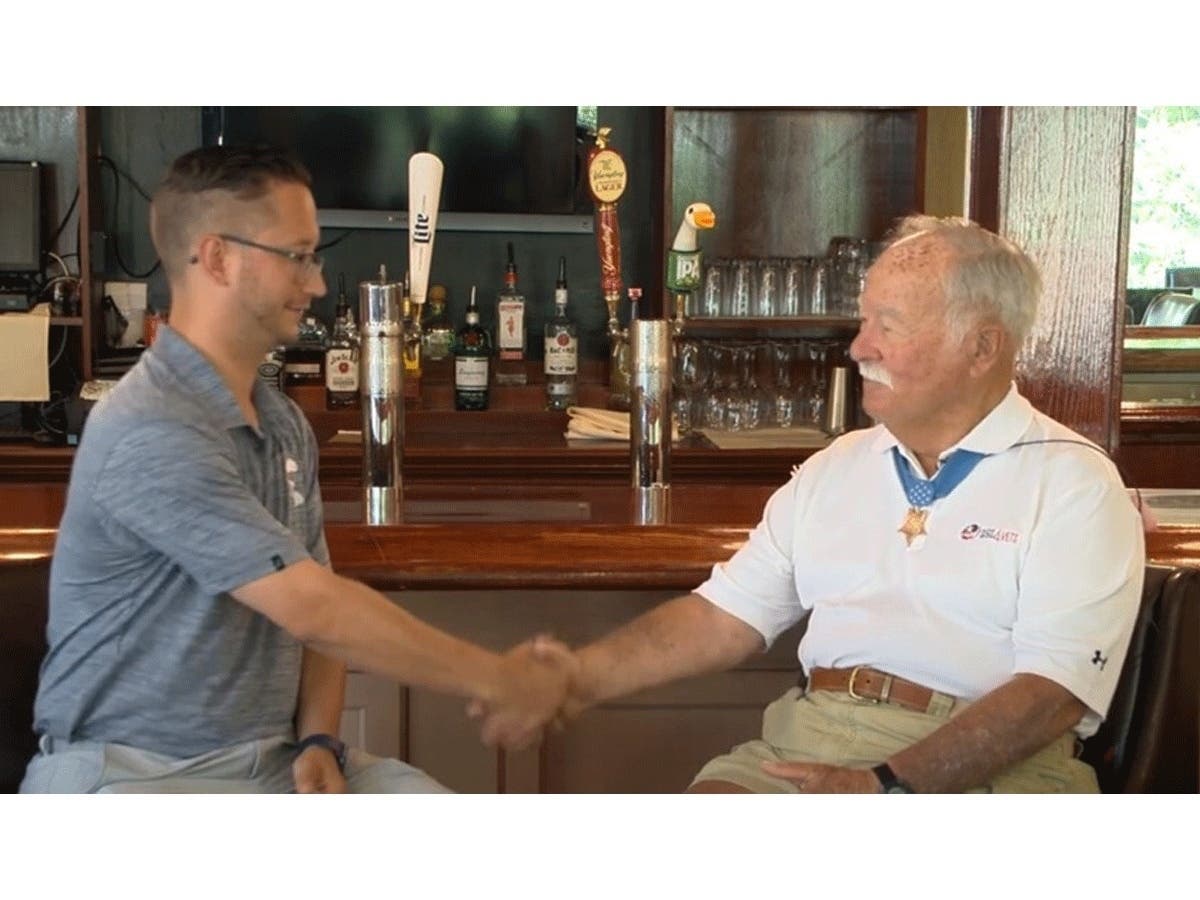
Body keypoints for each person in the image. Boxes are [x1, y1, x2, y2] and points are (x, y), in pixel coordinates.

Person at [489, 215, 1146, 793]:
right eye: (865, 321)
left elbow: (1050, 700)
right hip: (810, 740)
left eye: (887, 327)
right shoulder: (836, 468)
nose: (859, 348)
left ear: (981, 347)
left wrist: (888, 786)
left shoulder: (1075, 485)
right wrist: (576, 678)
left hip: (999, 774)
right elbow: (723, 619)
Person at [21, 145, 568, 794]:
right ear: (217, 258)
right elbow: (316, 610)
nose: (314, 283)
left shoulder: (279, 421)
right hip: (134, 774)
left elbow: (318, 601)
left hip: (272, 762)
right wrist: (499, 679)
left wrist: (317, 738)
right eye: (297, 256)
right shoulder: (154, 424)